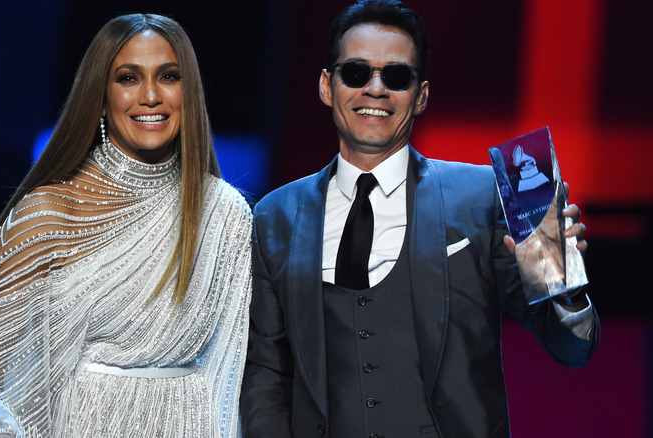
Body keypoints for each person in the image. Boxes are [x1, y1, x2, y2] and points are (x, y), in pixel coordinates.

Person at [240, 1, 599, 437]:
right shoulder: (275, 214)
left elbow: (571, 349)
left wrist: (563, 288)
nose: (375, 89)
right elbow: (266, 372)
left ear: (421, 95)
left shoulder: (488, 194)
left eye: (396, 76)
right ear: (325, 86)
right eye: (356, 72)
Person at [0, 14, 251, 438]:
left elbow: (228, 374)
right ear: (101, 97)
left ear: (188, 92)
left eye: (169, 76)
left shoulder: (225, 213)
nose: (150, 95)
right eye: (128, 77)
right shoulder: (48, 213)